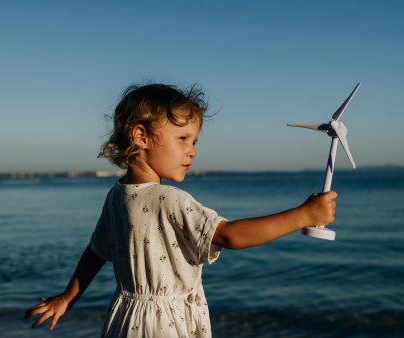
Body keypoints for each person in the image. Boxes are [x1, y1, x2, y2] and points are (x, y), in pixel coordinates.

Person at [23, 83, 337, 337]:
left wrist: (67, 298)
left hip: (126, 320)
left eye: (194, 140)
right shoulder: (169, 198)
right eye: (183, 138)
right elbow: (229, 236)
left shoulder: (116, 196)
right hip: (166, 325)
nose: (193, 150)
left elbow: (95, 252)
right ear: (141, 136)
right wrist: (303, 215)